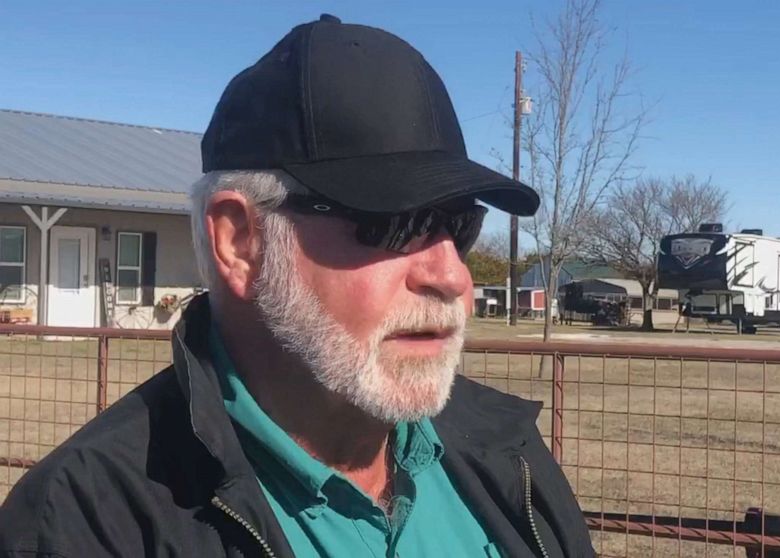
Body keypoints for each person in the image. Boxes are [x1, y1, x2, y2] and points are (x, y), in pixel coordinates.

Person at [0, 15, 593, 558]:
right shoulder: (86, 522)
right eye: (392, 223)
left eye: (460, 224)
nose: (452, 276)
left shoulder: (505, 450)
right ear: (241, 243)